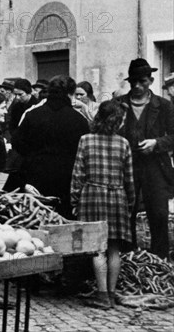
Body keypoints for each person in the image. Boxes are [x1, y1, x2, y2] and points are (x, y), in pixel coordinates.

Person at [71, 101, 135, 309]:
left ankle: (102, 295)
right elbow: (129, 178)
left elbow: (78, 174)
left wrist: (75, 200)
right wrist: (130, 202)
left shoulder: (85, 140)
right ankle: (113, 292)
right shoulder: (123, 143)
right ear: (117, 121)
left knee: (98, 249)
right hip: (117, 196)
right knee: (114, 249)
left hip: (92, 195)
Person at [115, 58, 174, 259]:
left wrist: (156, 144)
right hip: (125, 167)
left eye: (142, 82)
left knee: (158, 213)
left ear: (150, 80)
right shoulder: (118, 104)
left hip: (156, 166)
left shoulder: (164, 106)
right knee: (125, 214)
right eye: (133, 83)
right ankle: (127, 259)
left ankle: (160, 260)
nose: (138, 87)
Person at [12, 75, 90, 219]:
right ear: (70, 94)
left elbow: (17, 143)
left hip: (35, 181)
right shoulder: (79, 120)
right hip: (66, 183)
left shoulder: (32, 115)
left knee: (35, 225)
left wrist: (33, 155)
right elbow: (84, 154)